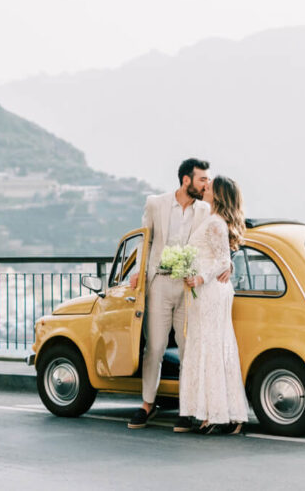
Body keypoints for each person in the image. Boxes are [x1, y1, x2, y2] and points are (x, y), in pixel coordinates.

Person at [127, 158, 230, 431]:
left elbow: (221, 235)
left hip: (190, 287)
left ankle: (186, 410)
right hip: (159, 283)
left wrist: (227, 262)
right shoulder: (155, 204)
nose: (207, 184)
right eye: (202, 180)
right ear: (186, 180)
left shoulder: (206, 209)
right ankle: (147, 404)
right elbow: (144, 240)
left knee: (189, 348)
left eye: (207, 180)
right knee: (155, 347)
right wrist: (137, 271)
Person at [179, 175, 249, 434]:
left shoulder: (216, 223)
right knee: (211, 346)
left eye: (209, 187)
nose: (205, 187)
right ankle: (222, 413)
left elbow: (221, 260)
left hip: (210, 292)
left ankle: (215, 414)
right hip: (205, 291)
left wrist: (199, 277)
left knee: (211, 347)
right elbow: (221, 259)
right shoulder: (212, 220)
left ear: (218, 195)